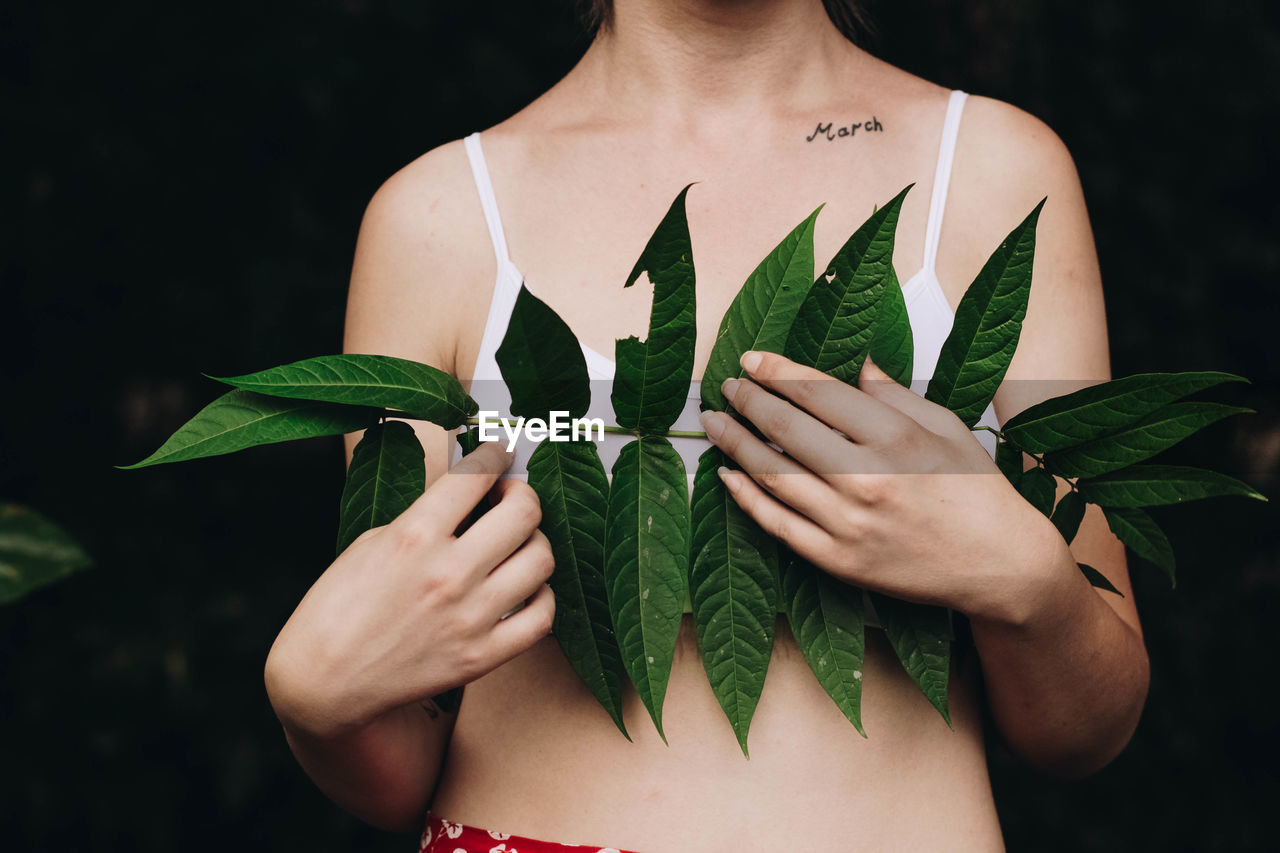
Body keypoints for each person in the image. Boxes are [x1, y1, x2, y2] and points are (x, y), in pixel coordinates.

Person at [262, 1, 1151, 849]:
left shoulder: (994, 171)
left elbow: (1084, 728)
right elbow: (400, 742)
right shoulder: (439, 219)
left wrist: (1025, 573)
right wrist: (315, 699)